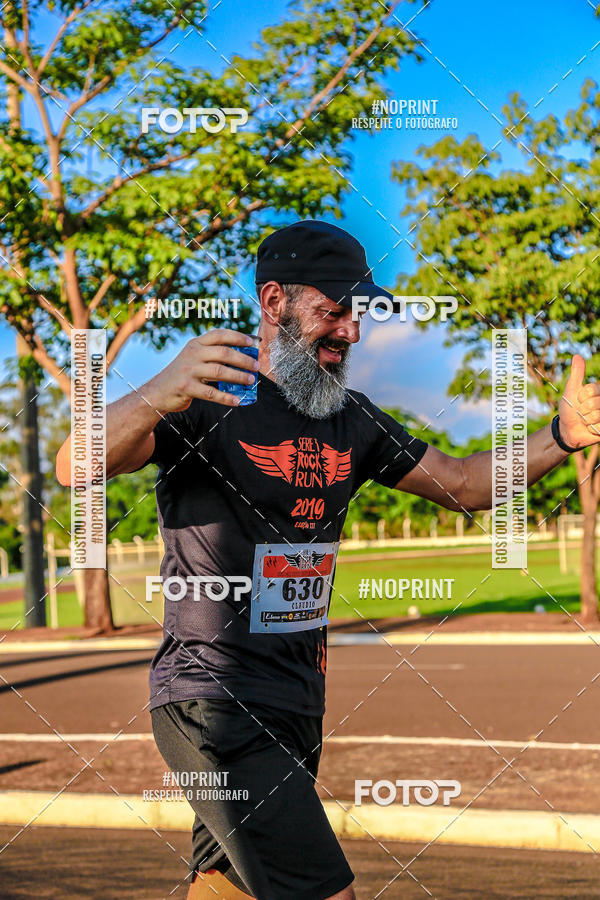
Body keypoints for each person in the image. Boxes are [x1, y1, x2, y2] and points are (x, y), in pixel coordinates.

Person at [56, 219, 600, 899]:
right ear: (275, 301)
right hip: (215, 704)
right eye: (333, 310)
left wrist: (558, 435)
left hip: (295, 700)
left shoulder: (353, 420)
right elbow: (73, 466)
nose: (351, 331)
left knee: (222, 886)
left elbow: (464, 483)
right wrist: (160, 388)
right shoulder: (207, 398)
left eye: (357, 314)